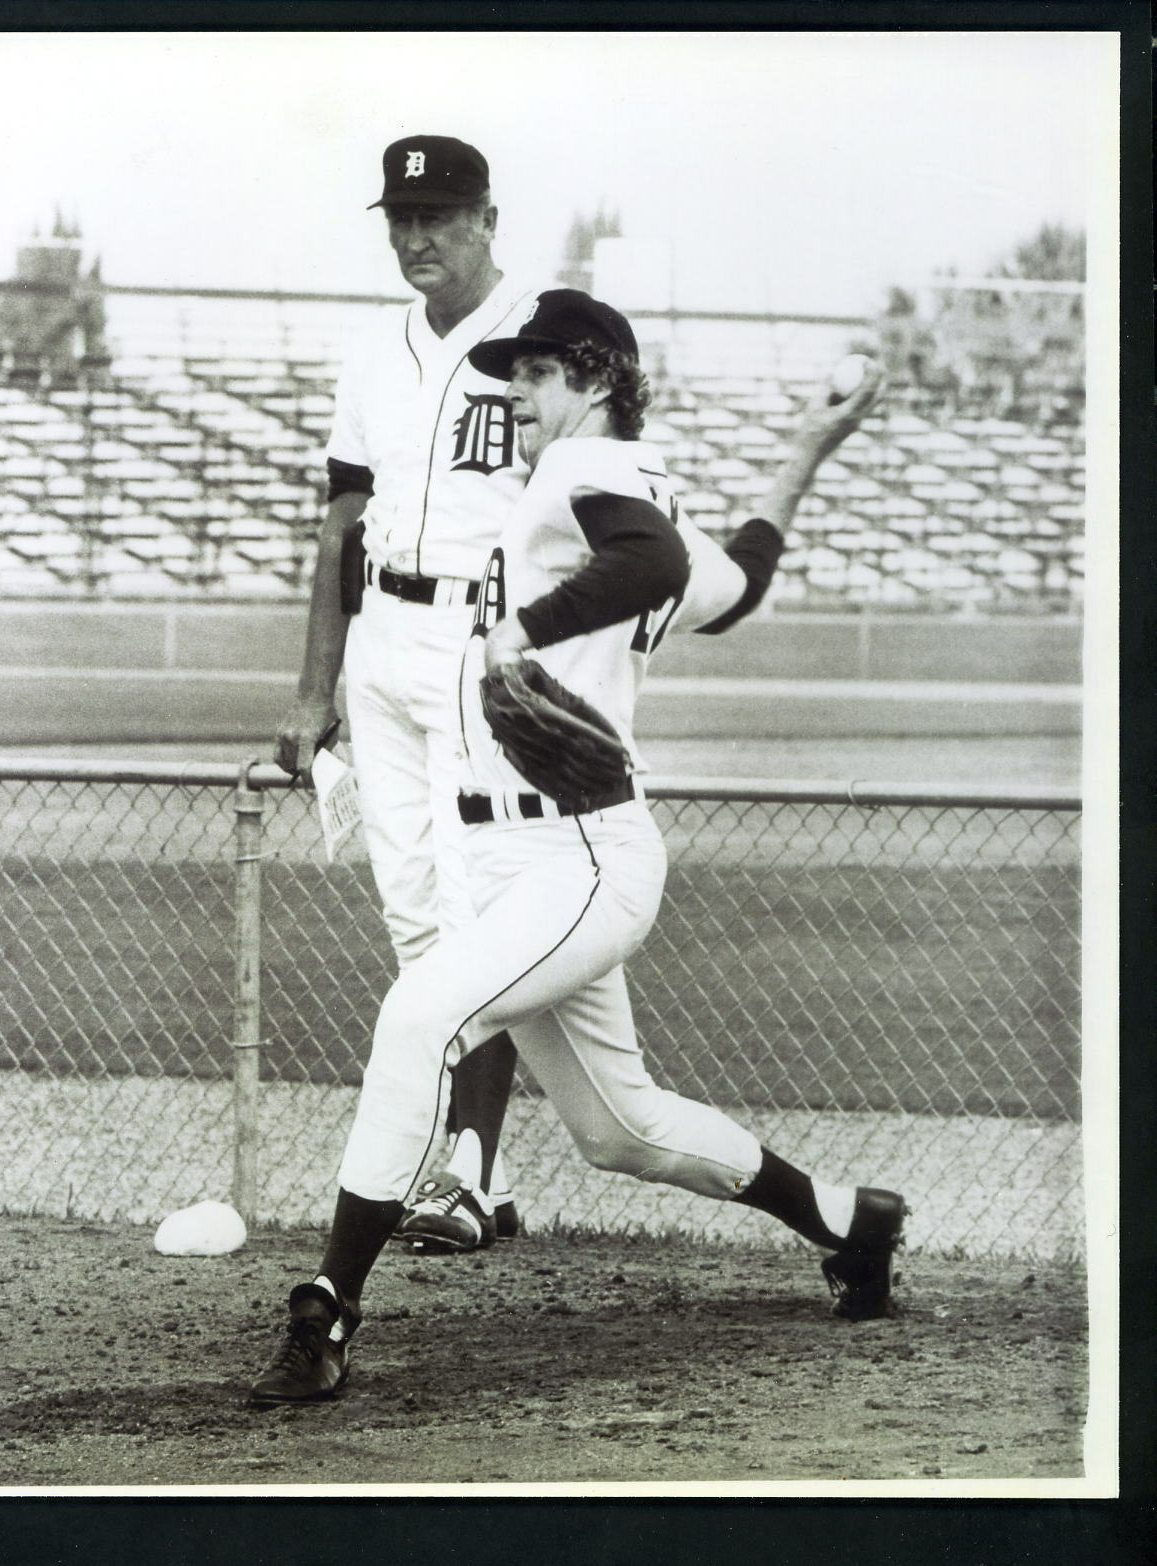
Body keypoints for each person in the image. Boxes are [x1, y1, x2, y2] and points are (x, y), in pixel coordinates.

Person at [249, 289, 904, 1407]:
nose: (514, 387)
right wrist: (802, 450)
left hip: (574, 858)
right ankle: (850, 1222)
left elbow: (648, 565)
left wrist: (518, 630)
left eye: (540, 370)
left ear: (597, 378)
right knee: (619, 1128)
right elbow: (731, 586)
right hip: (535, 863)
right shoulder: (612, 487)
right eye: (513, 370)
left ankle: (326, 1309)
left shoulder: (575, 478)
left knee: (420, 1017)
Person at [274, 136, 542, 1250]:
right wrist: (310, 689)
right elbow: (342, 521)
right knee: (419, 921)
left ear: (488, 219)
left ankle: (468, 1172)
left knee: (485, 910)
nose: (415, 237)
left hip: (487, 650)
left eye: (438, 216)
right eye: (401, 217)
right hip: (383, 644)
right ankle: (452, 1167)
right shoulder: (371, 350)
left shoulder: (548, 337)